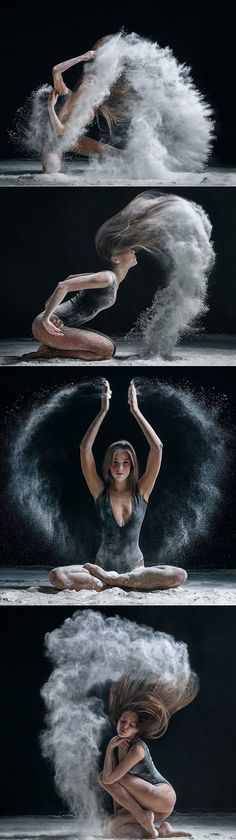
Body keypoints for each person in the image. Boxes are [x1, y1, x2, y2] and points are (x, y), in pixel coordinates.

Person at [49, 381, 187, 591]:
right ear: (108, 465)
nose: (119, 467)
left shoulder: (142, 492)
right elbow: (85, 448)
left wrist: (136, 411)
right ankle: (111, 580)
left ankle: (112, 581)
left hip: (136, 569)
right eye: (114, 462)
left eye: (125, 462)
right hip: (101, 566)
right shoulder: (99, 491)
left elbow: (157, 447)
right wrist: (103, 410)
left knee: (179, 575)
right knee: (56, 576)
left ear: (132, 466)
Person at [99, 670, 199, 838]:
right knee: (110, 829)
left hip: (162, 796)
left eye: (131, 724)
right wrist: (111, 748)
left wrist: (109, 748)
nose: (125, 726)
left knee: (105, 776)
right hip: (151, 807)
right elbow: (118, 794)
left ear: (137, 728)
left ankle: (142, 816)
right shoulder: (117, 745)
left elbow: (109, 779)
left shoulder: (137, 749)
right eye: (123, 721)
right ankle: (162, 831)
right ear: (118, 720)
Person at [26, 249, 137, 361]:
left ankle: (51, 348)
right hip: (46, 326)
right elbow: (63, 286)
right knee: (106, 350)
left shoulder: (109, 278)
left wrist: (49, 304)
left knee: (111, 346)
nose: (132, 251)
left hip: (62, 325)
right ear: (115, 259)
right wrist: (46, 318)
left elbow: (71, 277)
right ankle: (50, 352)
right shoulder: (107, 278)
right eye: (127, 250)